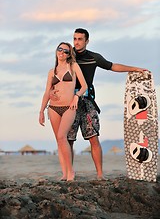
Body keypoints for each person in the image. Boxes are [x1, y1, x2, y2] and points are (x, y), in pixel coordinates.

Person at [67, 28, 147, 180]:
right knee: (68, 139)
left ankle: (99, 175)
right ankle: (69, 173)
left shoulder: (94, 57)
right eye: (75, 39)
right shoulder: (68, 56)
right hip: (69, 102)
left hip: (87, 102)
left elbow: (112, 66)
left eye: (80, 39)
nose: (76, 42)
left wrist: (135, 69)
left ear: (87, 41)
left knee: (93, 138)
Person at [39, 42, 87, 181]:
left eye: (65, 51)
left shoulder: (73, 66)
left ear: (69, 54)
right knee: (59, 141)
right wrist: (41, 111)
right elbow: (47, 92)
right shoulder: (51, 71)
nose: (62, 52)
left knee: (62, 136)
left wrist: (76, 97)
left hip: (69, 107)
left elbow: (84, 86)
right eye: (60, 49)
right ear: (56, 51)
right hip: (53, 108)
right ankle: (65, 174)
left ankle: (71, 172)